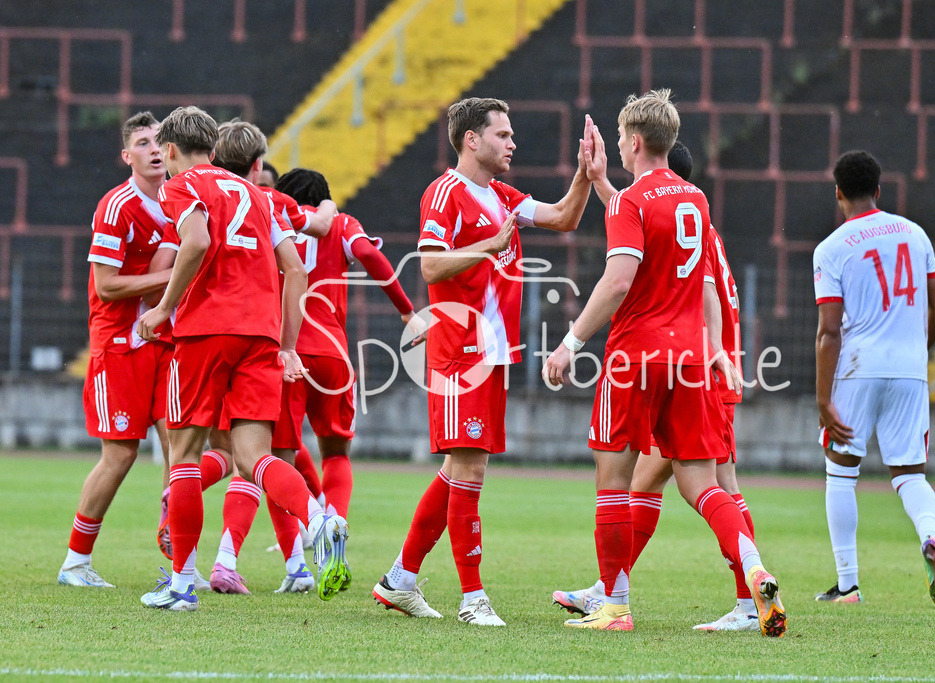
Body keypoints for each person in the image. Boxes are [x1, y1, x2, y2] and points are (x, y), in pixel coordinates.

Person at [543, 89, 785, 636]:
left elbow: (621, 277)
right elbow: (699, 282)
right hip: (691, 359)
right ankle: (753, 570)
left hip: (635, 357)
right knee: (705, 485)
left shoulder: (632, 202)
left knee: (614, 479)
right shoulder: (695, 201)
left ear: (632, 142)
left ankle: (616, 605)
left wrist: (571, 343)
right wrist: (717, 350)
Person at [372, 97, 597, 626]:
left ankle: (400, 580)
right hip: (458, 355)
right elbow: (428, 266)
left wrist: (587, 176)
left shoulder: (502, 195)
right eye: (502, 134)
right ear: (471, 140)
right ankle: (472, 599)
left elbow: (563, 217)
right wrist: (488, 244)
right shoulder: (445, 193)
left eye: (511, 134)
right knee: (470, 469)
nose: (511, 143)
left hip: (492, 356)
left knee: (458, 470)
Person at [135, 107, 349, 610]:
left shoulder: (180, 185)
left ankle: (183, 585)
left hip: (205, 332)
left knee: (184, 457)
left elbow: (198, 240)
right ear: (213, 145)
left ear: (169, 150)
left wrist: (165, 308)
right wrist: (287, 344)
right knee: (255, 457)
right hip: (260, 337)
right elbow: (295, 271)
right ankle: (320, 520)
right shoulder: (262, 196)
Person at [264, 167, 418, 593]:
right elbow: (370, 256)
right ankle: (335, 522)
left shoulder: (275, 217)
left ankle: (299, 562)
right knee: (336, 454)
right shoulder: (342, 224)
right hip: (332, 354)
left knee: (276, 457)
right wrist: (405, 310)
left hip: (284, 351)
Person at [813, 150, 935, 606]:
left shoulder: (832, 248)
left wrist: (822, 400)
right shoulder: (915, 234)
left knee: (841, 472)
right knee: (910, 474)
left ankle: (848, 584)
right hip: (909, 369)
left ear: (839, 194)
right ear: (878, 190)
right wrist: (915, 351)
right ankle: (929, 537)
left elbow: (829, 331)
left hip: (858, 367)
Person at [59, 111, 176, 589]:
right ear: (127, 156)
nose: (153, 149)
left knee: (182, 448)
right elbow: (106, 288)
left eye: (158, 142)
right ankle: (75, 562)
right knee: (121, 455)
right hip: (120, 346)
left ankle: (181, 561)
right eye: (143, 142)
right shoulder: (117, 206)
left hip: (163, 344)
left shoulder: (178, 201)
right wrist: (175, 275)